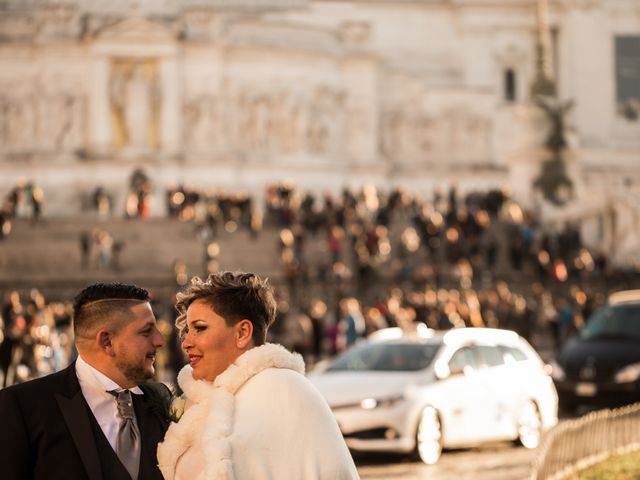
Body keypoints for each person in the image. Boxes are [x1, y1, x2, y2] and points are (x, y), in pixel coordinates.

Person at [157, 271, 359, 480]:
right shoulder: (202, 402)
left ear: (242, 333)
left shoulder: (286, 390)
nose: (186, 343)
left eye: (199, 328)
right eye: (186, 331)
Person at [0, 282, 169, 480]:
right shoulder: (22, 407)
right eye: (146, 331)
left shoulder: (160, 401)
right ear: (106, 341)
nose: (159, 340)